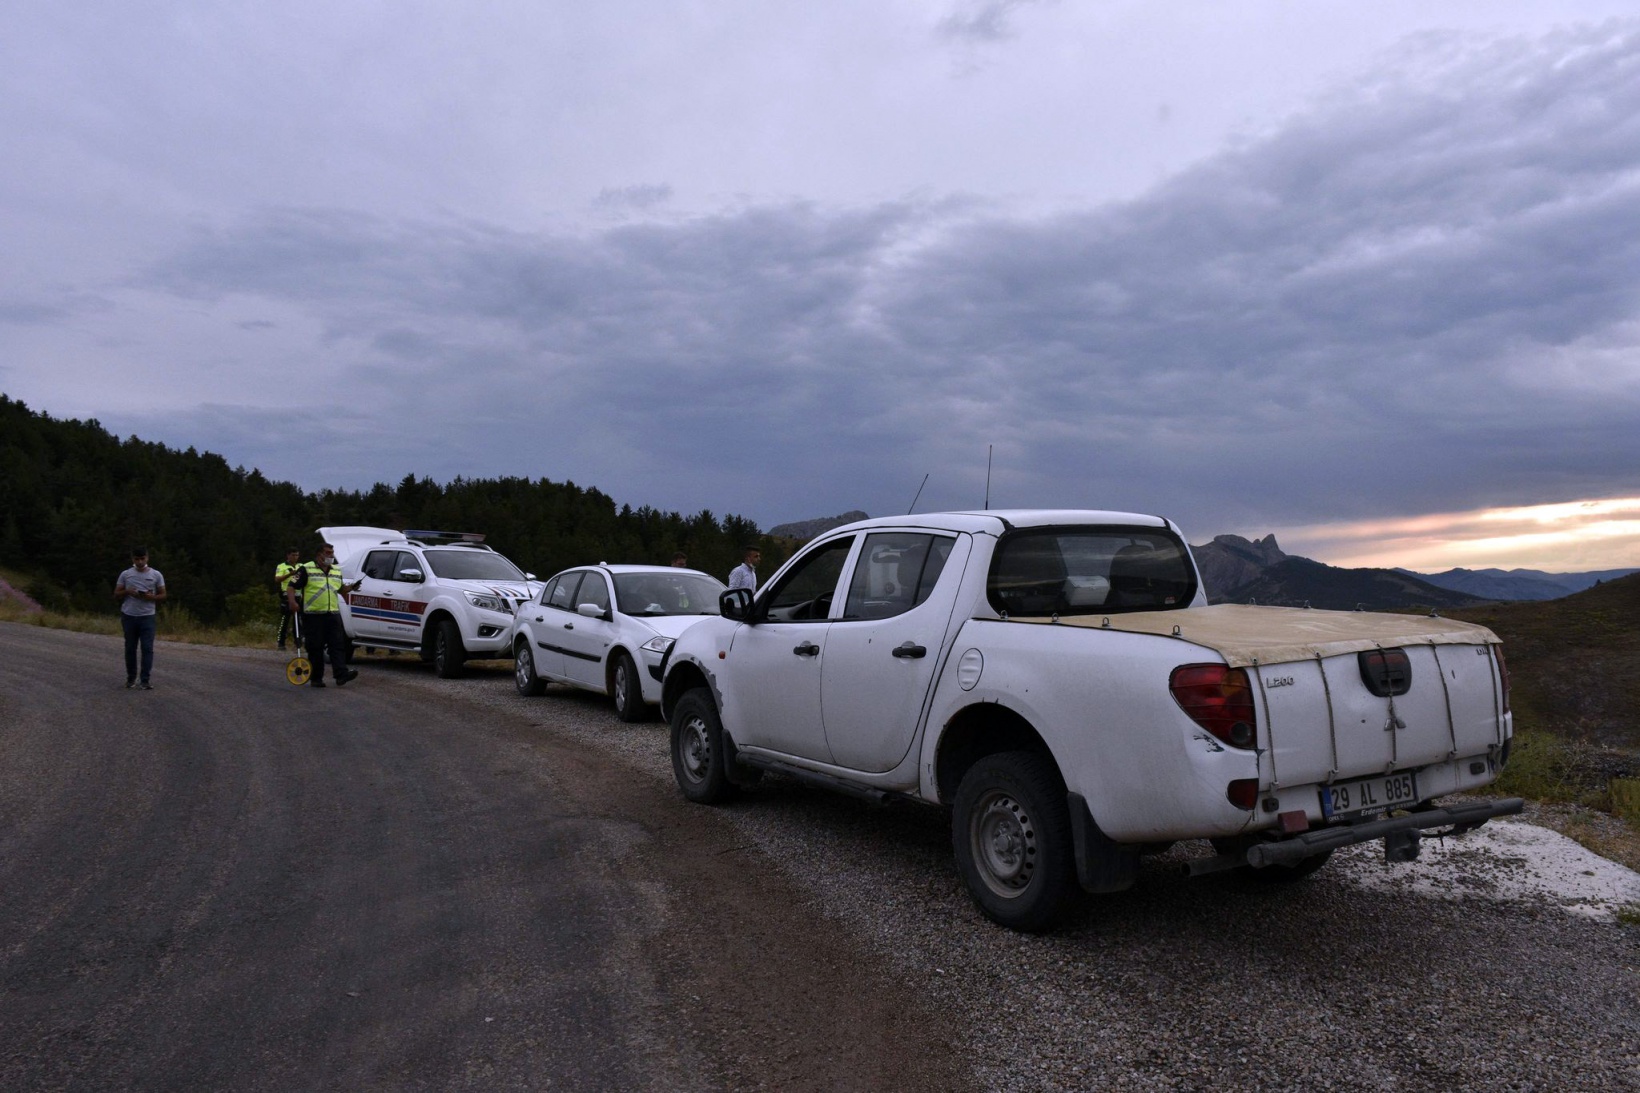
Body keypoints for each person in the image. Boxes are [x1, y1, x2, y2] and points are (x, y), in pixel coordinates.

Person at [287, 542, 363, 688]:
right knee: (315, 647)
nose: (331, 556)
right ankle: (316, 678)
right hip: (313, 615)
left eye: (332, 553)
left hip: (332, 614)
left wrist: (352, 587)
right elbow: (291, 586)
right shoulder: (306, 569)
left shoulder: (336, 570)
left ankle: (341, 675)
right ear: (319, 555)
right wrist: (292, 602)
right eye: (328, 553)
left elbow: (340, 589)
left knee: (337, 645)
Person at [114, 547, 167, 689]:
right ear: (133, 559)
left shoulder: (156, 574)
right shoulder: (126, 574)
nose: (140, 562)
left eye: (142, 558)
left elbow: (163, 594)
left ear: (147, 558)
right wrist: (127, 591)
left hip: (147, 616)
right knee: (130, 648)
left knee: (147, 648)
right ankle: (131, 678)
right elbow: (116, 593)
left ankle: (145, 680)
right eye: (137, 559)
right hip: (129, 615)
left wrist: (152, 597)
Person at [274, 548, 301, 650]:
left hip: (298, 595)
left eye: (297, 555)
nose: (295, 557)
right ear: (288, 555)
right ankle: (281, 642)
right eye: (293, 555)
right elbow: (277, 579)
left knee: (298, 620)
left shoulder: (300, 566)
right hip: (286, 595)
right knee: (285, 620)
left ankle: (297, 642)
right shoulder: (282, 566)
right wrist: (289, 574)